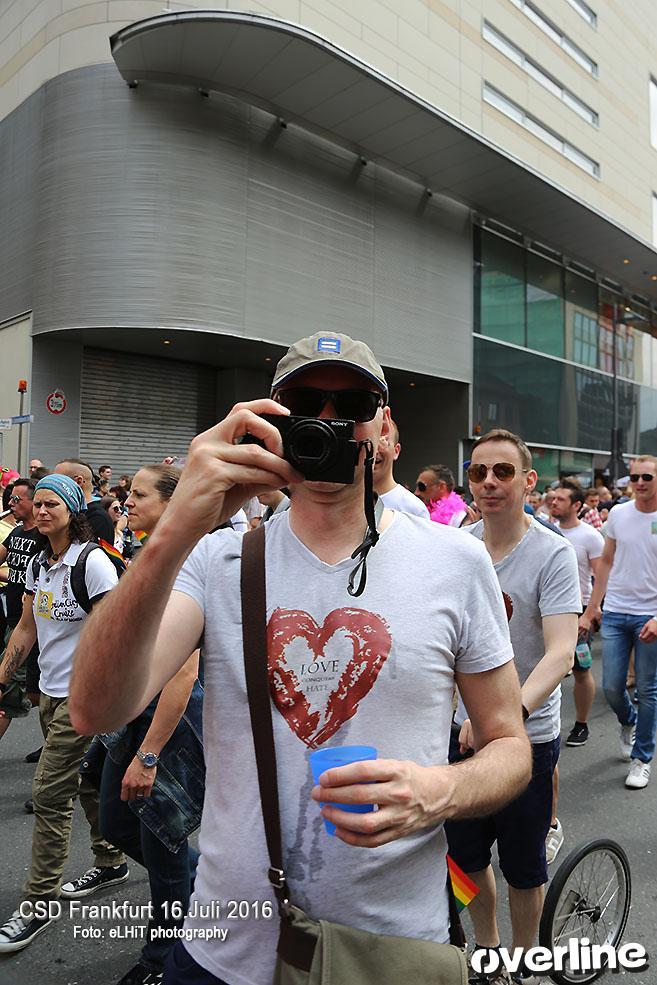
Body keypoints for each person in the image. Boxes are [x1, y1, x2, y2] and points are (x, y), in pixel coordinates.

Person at [71, 332, 531, 985]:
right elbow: (93, 709)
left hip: (390, 949)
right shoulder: (215, 558)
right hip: (224, 950)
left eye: (354, 404)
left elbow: (509, 744)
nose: (330, 419)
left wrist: (440, 792)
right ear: (269, 424)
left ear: (383, 426)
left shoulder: (454, 560)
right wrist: (178, 527)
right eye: (306, 404)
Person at [446, 429, 579, 985]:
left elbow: (561, 653)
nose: (489, 482)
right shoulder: (457, 544)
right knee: (464, 858)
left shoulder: (553, 553)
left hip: (526, 735)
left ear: (528, 481)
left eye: (502, 471)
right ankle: (489, 951)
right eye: (478, 472)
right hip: (460, 732)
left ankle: (524, 966)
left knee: (524, 868)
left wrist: (505, 716)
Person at [0, 474, 127, 954]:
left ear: (73, 511)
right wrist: (1, 679)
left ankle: (38, 902)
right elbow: (25, 628)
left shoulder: (92, 563)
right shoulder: (40, 562)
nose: (41, 510)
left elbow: (115, 635)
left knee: (49, 794)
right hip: (51, 695)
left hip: (82, 700)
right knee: (88, 783)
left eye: (52, 503)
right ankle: (111, 861)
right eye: (38, 503)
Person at [97, 465, 203, 985]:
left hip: (170, 723)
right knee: (116, 823)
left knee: (164, 846)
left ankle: (163, 961)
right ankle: (203, 882)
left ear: (170, 503)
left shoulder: (185, 562)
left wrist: (149, 753)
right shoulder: (148, 553)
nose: (126, 501)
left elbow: (184, 670)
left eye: (139, 494)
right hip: (134, 713)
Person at [581, 455, 657, 790]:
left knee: (647, 689)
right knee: (612, 686)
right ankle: (629, 721)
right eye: (634, 477)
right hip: (615, 611)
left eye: (647, 477)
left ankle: (642, 758)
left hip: (649, 615)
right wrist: (592, 608)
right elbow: (606, 562)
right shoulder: (619, 514)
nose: (639, 483)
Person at [0, 478, 40, 739]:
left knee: (8, 692)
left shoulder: (44, 537)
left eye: (17, 499)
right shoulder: (16, 533)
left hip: (32, 626)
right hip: (13, 621)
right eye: (10, 499)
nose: (11, 503)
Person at [374, 418, 430, 517]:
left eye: (383, 442)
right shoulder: (345, 501)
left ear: (396, 451)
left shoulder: (414, 509)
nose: (374, 451)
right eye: (369, 442)